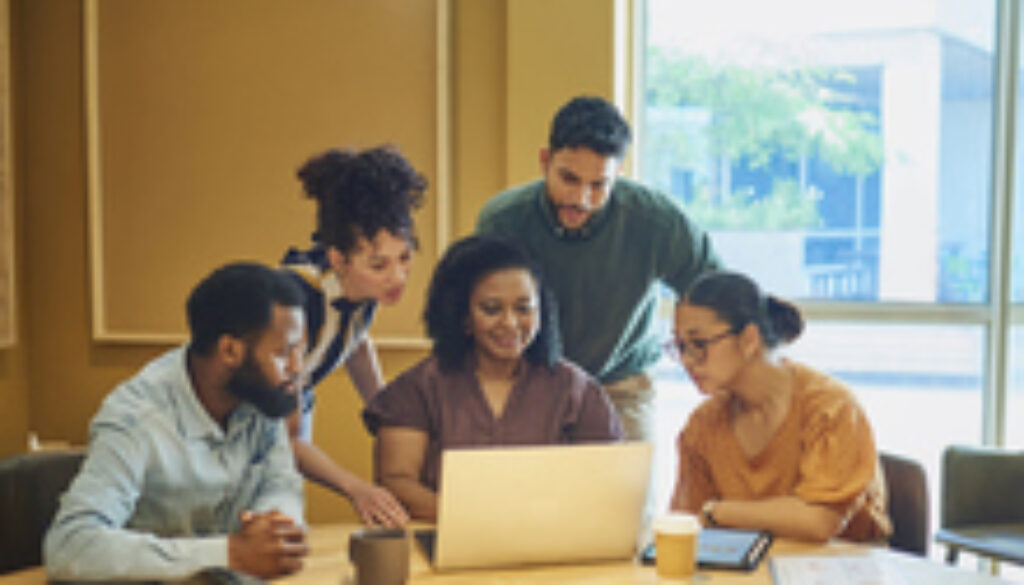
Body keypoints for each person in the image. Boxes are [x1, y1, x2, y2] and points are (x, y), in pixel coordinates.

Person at [476, 95, 721, 443]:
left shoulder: (656, 221)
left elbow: (716, 293)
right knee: (527, 496)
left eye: (598, 185)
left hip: (622, 386)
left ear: (618, 174)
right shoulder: (503, 220)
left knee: (625, 497)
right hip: (528, 384)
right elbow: (475, 309)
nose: (581, 199)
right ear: (545, 161)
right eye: (569, 179)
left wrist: (701, 353)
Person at [44, 263, 310, 582]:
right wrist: (231, 553)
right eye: (284, 353)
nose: (298, 367)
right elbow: (70, 547)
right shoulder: (137, 417)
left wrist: (275, 525)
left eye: (300, 350)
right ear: (230, 350)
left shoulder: (259, 396)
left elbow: (281, 484)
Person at [362, 235, 623, 520]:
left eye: (524, 309)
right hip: (447, 541)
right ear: (461, 315)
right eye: (491, 309)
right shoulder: (418, 388)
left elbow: (606, 485)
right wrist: (477, 519)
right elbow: (396, 482)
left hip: (550, 542)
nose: (510, 323)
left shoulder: (577, 390)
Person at [669, 271, 892, 542]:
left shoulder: (829, 405)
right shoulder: (703, 424)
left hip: (843, 566)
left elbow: (819, 522)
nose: (687, 361)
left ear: (749, 339)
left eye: (699, 344)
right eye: (680, 346)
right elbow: (688, 522)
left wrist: (720, 511)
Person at [280, 145, 424, 528]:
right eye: (379, 265)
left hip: (293, 412)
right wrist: (356, 488)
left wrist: (382, 409)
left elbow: (354, 339)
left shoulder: (362, 289)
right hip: (239, 432)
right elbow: (287, 441)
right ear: (337, 258)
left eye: (405, 258)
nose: (397, 278)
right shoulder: (297, 304)